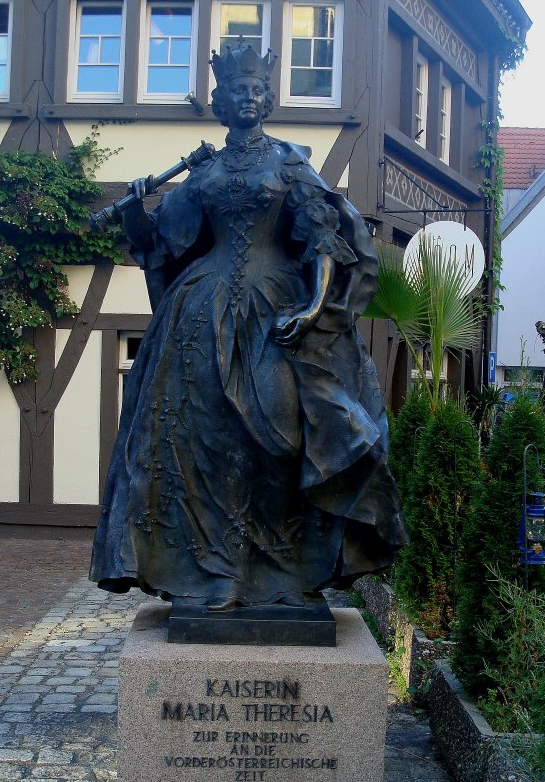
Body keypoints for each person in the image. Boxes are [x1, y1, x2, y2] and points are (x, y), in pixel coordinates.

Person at [90, 42, 405, 611]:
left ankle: (290, 573)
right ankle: (216, 571)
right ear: (221, 102)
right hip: (199, 314)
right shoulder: (203, 171)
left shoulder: (289, 163)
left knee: (282, 436)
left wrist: (313, 308)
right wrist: (136, 209)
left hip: (276, 311)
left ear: (269, 98)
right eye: (239, 90)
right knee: (202, 440)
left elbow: (323, 236)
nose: (250, 97)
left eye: (258, 90)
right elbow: (167, 244)